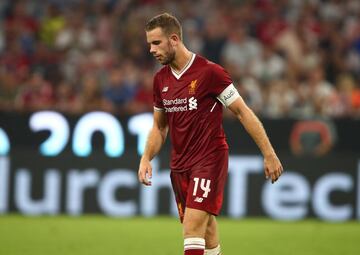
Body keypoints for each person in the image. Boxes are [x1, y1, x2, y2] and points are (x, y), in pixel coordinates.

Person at [138, 13, 283, 255]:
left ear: (174, 39)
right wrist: (146, 158)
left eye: (156, 43)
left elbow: (242, 112)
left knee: (192, 226)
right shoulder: (160, 80)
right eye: (149, 44)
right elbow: (159, 127)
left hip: (209, 158)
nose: (151, 50)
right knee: (206, 230)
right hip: (180, 164)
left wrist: (269, 153)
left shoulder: (210, 73)